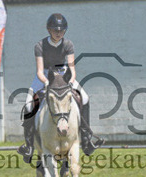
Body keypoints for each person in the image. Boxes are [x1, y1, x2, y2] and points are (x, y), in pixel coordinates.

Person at [17, 13, 103, 163]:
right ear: (49, 30)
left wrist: (69, 81)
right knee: (29, 103)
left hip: (64, 74)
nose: (58, 33)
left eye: (61, 30)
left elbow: (72, 69)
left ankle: (86, 138)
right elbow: (39, 70)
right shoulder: (40, 46)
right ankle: (29, 145)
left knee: (85, 97)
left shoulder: (68, 44)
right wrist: (46, 82)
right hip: (44, 75)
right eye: (55, 30)